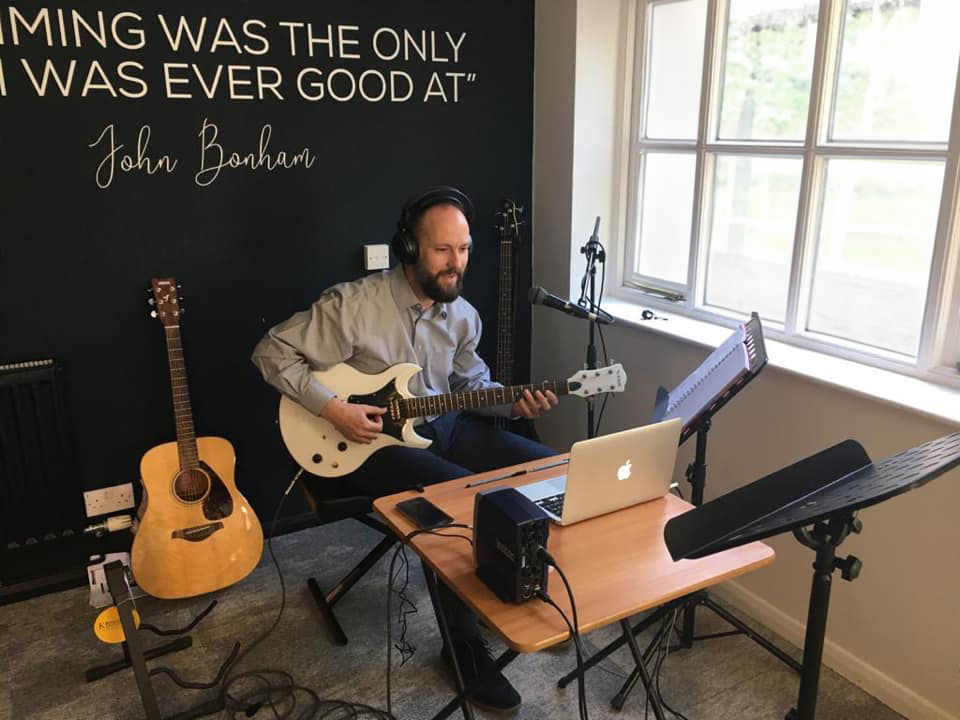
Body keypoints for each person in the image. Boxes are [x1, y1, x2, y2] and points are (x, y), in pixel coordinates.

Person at [251, 186, 558, 713]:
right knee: (455, 497)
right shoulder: (352, 306)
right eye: (442, 250)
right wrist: (333, 408)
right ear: (410, 248)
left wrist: (515, 406)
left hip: (442, 424)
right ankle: (462, 650)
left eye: (463, 249)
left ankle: (518, 591)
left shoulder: (462, 315)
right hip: (365, 445)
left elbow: (473, 384)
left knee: (545, 465)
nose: (455, 263)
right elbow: (271, 351)